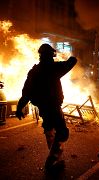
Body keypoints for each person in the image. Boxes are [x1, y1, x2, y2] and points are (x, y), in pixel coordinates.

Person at [16, 43, 77, 172]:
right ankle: (52, 159)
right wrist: (68, 56)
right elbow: (72, 61)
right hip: (54, 107)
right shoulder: (54, 68)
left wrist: (19, 107)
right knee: (62, 133)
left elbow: (26, 92)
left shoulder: (34, 71)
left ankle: (57, 160)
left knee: (50, 131)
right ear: (51, 55)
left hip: (43, 107)